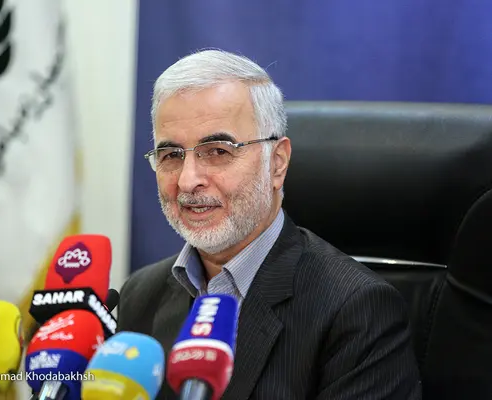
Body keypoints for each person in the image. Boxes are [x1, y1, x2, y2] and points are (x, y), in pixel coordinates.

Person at [117, 49, 422, 399]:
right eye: (171, 155)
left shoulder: (356, 311)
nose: (188, 181)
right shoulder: (140, 295)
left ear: (277, 163)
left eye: (217, 151)